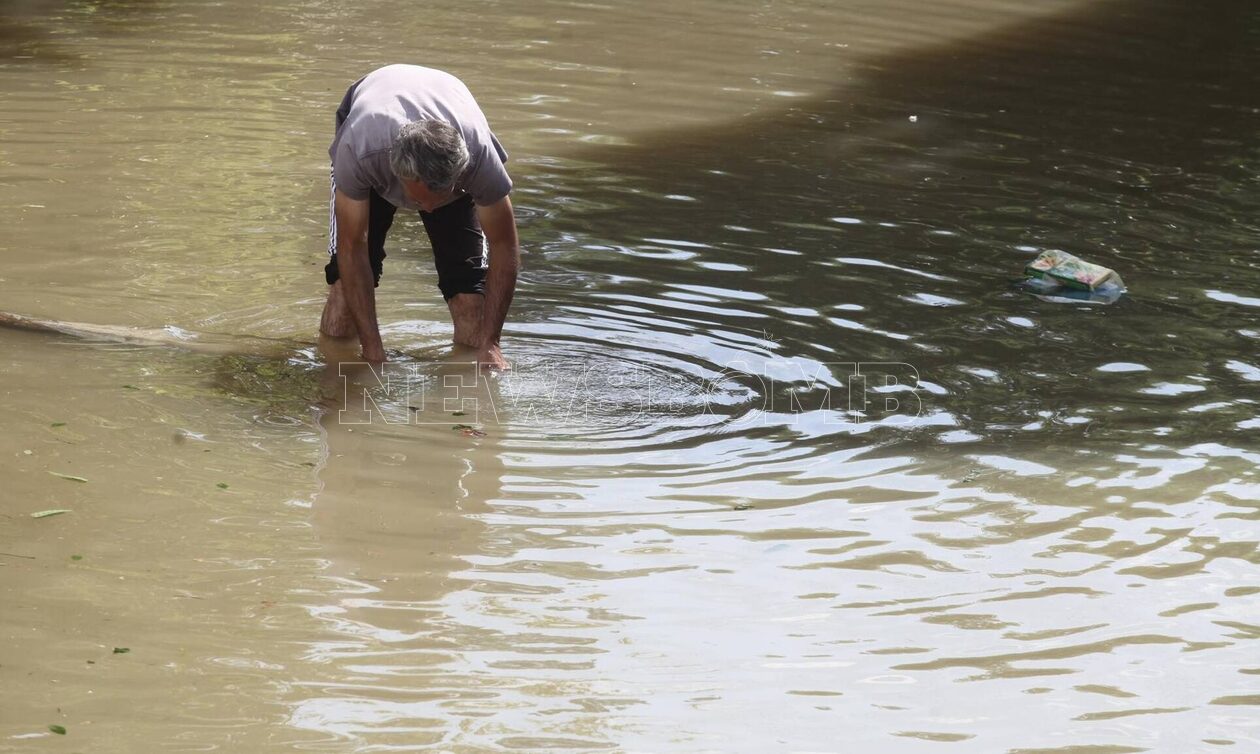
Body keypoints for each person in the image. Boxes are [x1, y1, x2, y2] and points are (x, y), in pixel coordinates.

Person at [319, 64, 519, 369]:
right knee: (346, 290)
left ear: (458, 177)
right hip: (372, 147)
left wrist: (491, 343)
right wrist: (373, 351)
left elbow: (505, 245)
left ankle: (464, 402)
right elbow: (352, 246)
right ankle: (333, 378)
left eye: (436, 201)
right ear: (399, 175)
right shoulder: (359, 152)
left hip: (451, 144)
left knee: (470, 300)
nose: (425, 211)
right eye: (417, 199)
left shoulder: (479, 160)